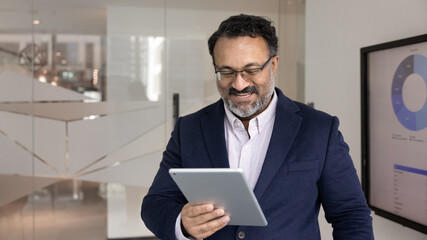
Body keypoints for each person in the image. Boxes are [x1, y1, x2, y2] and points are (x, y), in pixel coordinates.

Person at [141, 14, 374, 240]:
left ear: (273, 64)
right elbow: (156, 203)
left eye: (251, 70)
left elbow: (350, 215)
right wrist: (182, 223)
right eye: (226, 71)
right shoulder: (188, 129)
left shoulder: (320, 130)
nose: (239, 84)